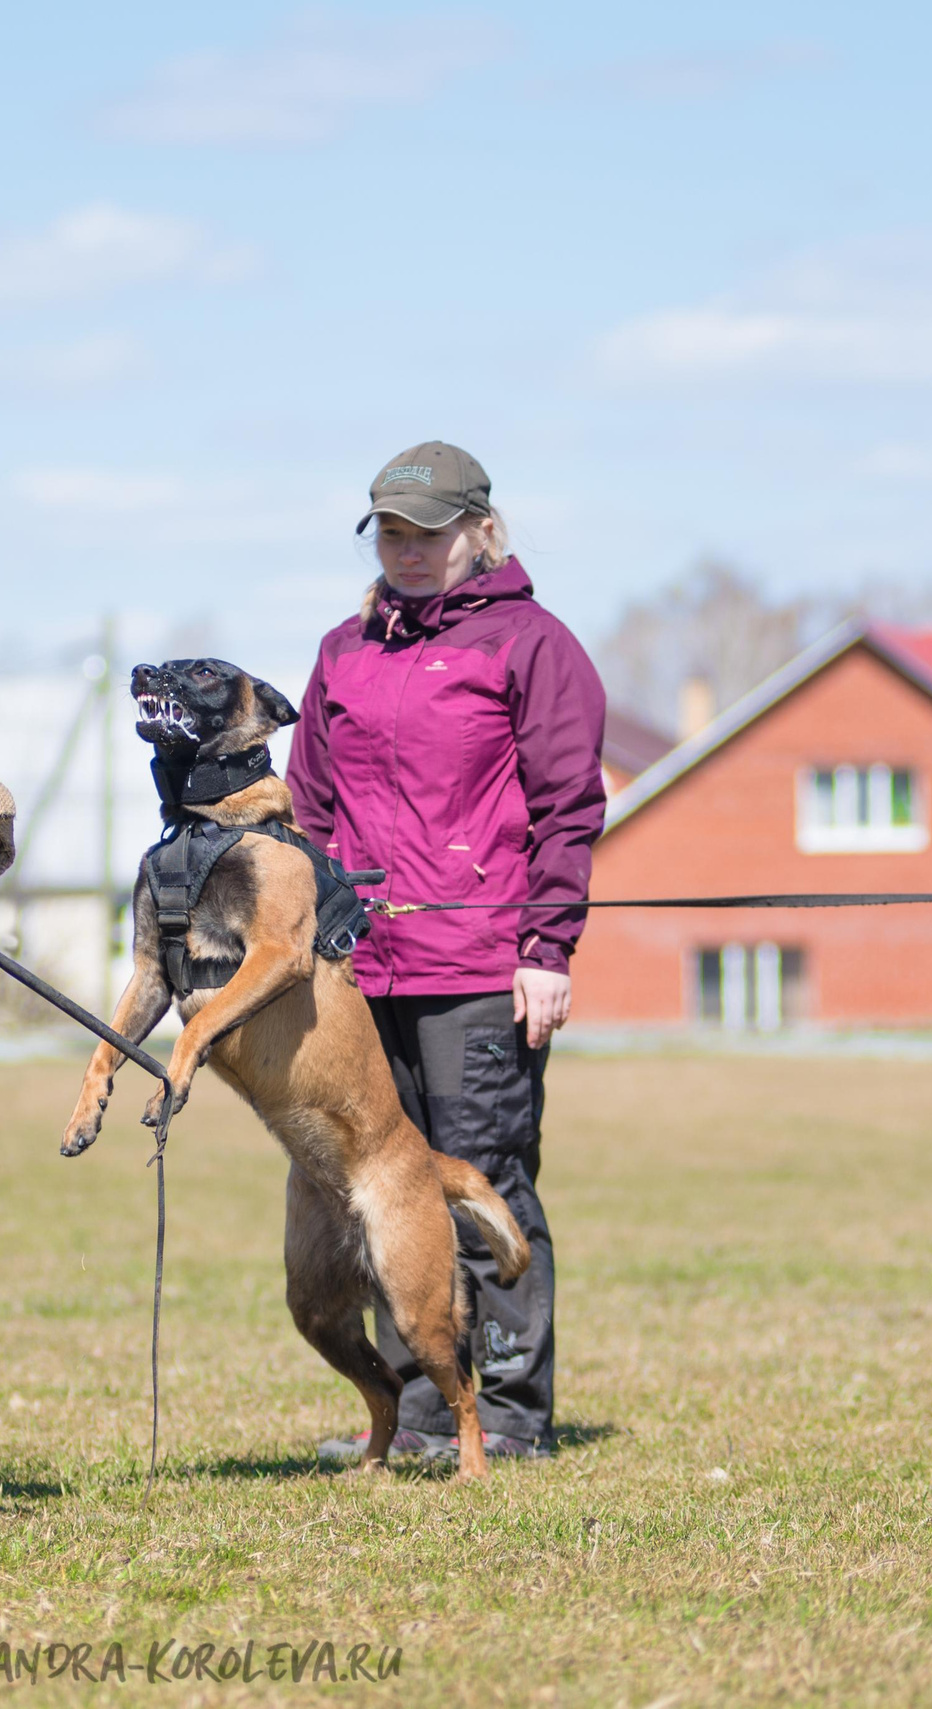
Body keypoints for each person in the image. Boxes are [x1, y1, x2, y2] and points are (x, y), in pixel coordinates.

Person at [287, 441, 607, 1464]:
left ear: (480, 530)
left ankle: (509, 1412)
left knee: (484, 1180)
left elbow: (567, 808)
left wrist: (546, 946)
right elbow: (311, 806)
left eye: (426, 532)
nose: (407, 551)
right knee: (385, 1188)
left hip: (479, 965)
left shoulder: (532, 644)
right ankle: (423, 1407)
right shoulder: (344, 649)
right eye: (390, 532)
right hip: (361, 973)